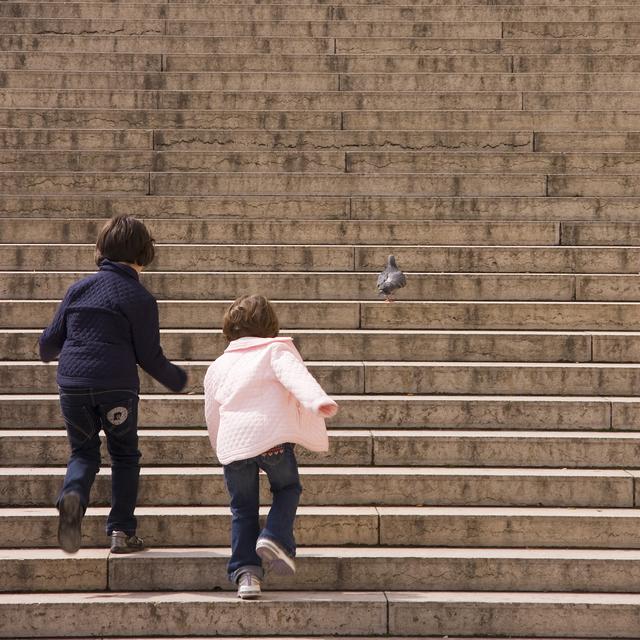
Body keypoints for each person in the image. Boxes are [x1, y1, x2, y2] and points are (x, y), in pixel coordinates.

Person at [39, 215, 187, 555]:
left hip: (74, 385)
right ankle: (121, 531)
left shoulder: (78, 289)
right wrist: (178, 380)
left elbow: (49, 343)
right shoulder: (141, 298)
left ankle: (73, 494)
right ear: (144, 254)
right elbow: (149, 357)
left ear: (101, 251)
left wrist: (50, 350)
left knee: (83, 452)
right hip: (117, 388)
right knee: (123, 455)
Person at [204, 294, 338, 599]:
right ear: (270, 325)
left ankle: (247, 576)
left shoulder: (220, 364)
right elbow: (297, 378)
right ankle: (275, 537)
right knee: (288, 488)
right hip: (272, 440)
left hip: (234, 442)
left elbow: (212, 412)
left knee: (242, 508)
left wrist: (219, 446)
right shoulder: (276, 350)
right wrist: (318, 401)